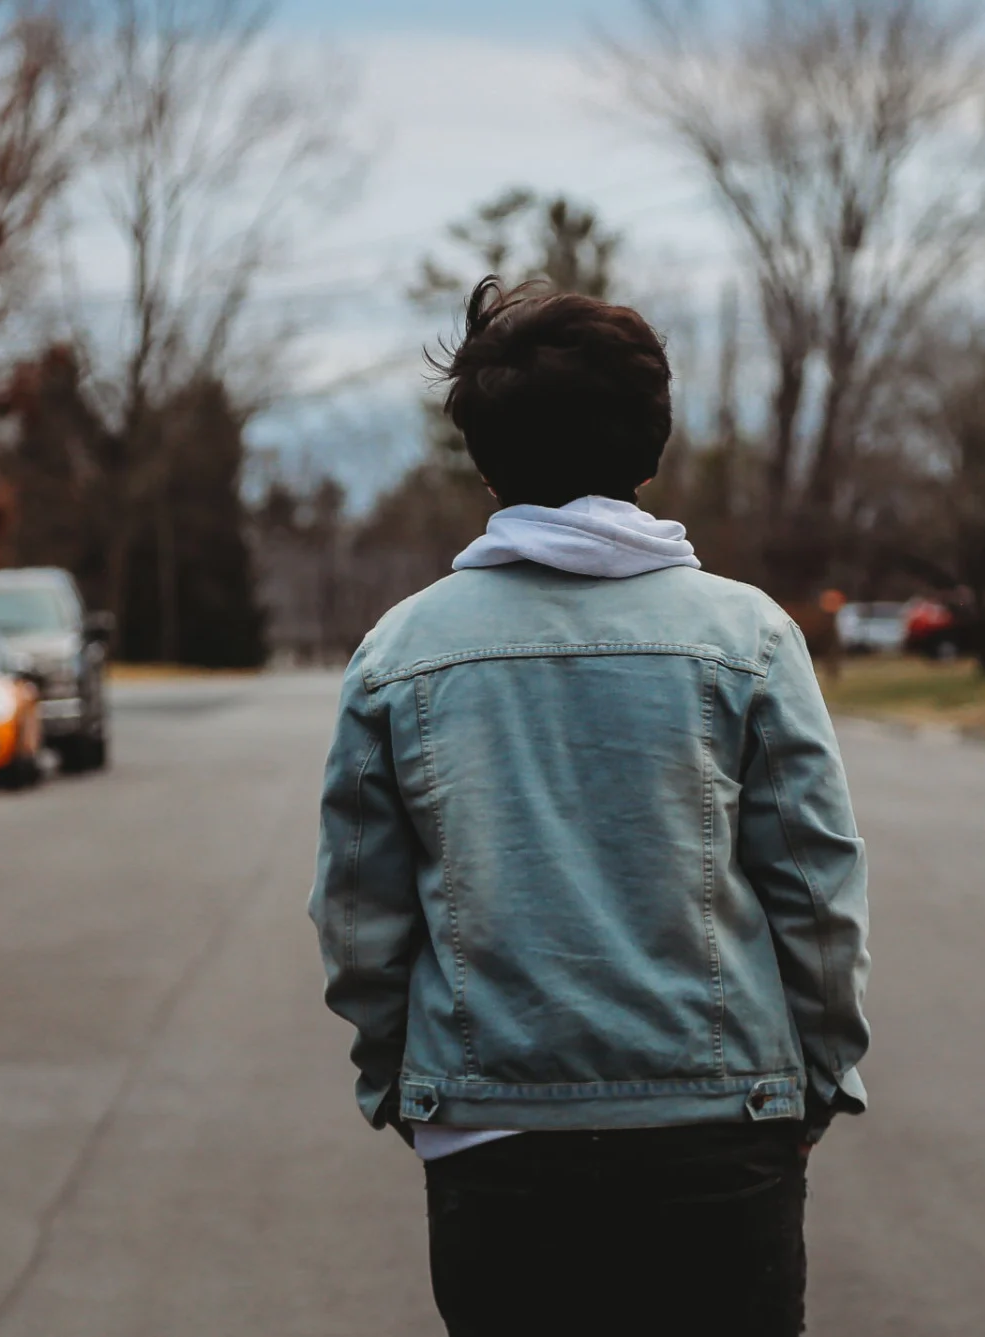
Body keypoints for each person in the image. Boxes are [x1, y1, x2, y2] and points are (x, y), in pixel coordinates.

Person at [309, 277, 871, 1337]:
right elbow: (816, 889)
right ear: (650, 448)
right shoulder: (748, 638)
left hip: (492, 1140)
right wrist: (820, 1075)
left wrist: (405, 1083)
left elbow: (358, 916)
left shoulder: (399, 652)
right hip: (719, 1130)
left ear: (485, 462)